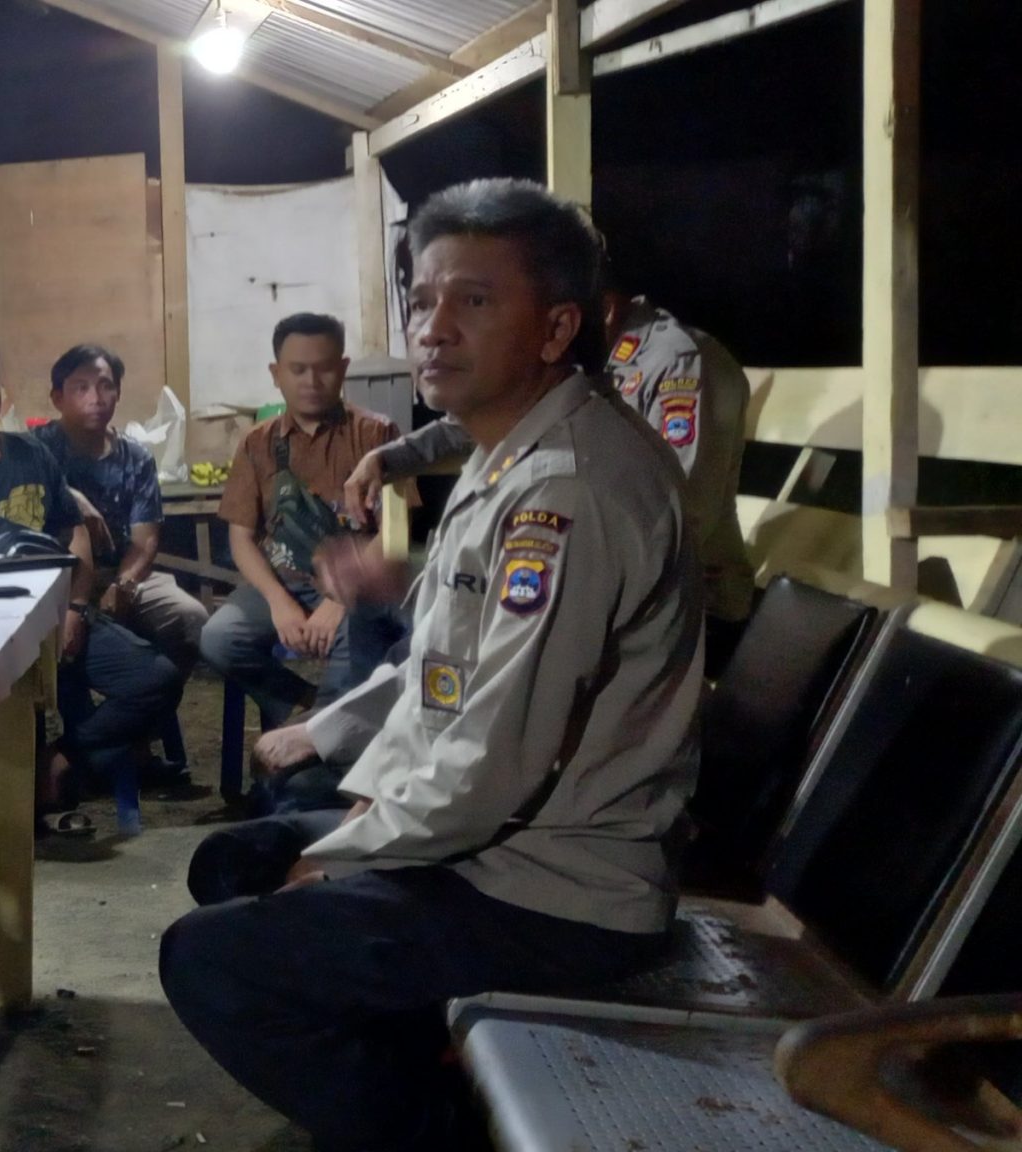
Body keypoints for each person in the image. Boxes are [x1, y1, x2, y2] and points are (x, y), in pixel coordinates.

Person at [159, 178, 702, 1152]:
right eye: (420, 301)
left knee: (211, 959)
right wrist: (334, 750)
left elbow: (495, 757)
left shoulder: (567, 492)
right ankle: (411, 1059)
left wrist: (347, 854)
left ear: (556, 327)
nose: (432, 330)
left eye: (474, 301)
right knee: (233, 859)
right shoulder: (508, 451)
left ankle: (430, 1132)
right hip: (493, 845)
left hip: (554, 892)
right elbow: (442, 670)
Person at [342, 275, 751, 674]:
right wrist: (387, 458)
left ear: (596, 313)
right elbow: (480, 417)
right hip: (579, 576)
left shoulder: (676, 362)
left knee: (445, 646)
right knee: (394, 628)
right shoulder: (576, 357)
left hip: (676, 607)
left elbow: (680, 518)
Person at [0, 337, 186, 830]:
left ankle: (62, 759)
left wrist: (74, 609)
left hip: (53, 618)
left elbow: (74, 532)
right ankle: (12, 809)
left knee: (155, 679)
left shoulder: (31, 454)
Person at [202, 313, 409, 757]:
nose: (311, 381)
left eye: (324, 368)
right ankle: (308, 708)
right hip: (282, 583)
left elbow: (397, 530)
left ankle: (332, 745)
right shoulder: (257, 443)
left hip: (357, 589)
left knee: (363, 644)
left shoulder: (378, 435)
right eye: (297, 369)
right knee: (220, 637)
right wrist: (278, 602)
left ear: (343, 367)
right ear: (276, 373)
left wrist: (339, 602)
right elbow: (241, 538)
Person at [30, 344, 210, 788]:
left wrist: (124, 584)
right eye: (80, 388)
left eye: (105, 386)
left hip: (121, 573)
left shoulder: (135, 457)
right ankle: (102, 749)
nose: (95, 398)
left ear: (118, 393)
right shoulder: (36, 450)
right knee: (67, 645)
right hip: (60, 579)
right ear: (57, 397)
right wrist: (73, 497)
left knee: (190, 618)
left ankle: (131, 735)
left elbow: (145, 541)